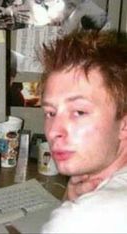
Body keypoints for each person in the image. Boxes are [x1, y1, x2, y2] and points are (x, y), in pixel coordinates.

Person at [40, 30, 127, 233]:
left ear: (124, 124)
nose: (53, 132)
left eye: (79, 112)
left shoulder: (82, 220)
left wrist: (70, 211)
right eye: (50, 112)